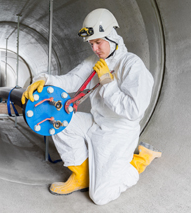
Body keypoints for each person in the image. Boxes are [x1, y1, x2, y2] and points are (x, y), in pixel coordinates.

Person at [21, 8, 162, 205]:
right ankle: (81, 177)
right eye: (91, 44)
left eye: (98, 42)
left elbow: (134, 110)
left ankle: (139, 160)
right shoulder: (95, 61)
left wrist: (107, 81)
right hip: (96, 122)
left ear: (111, 36)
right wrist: (43, 80)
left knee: (100, 196)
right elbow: (72, 81)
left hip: (118, 133)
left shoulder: (132, 65)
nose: (95, 49)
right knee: (58, 118)